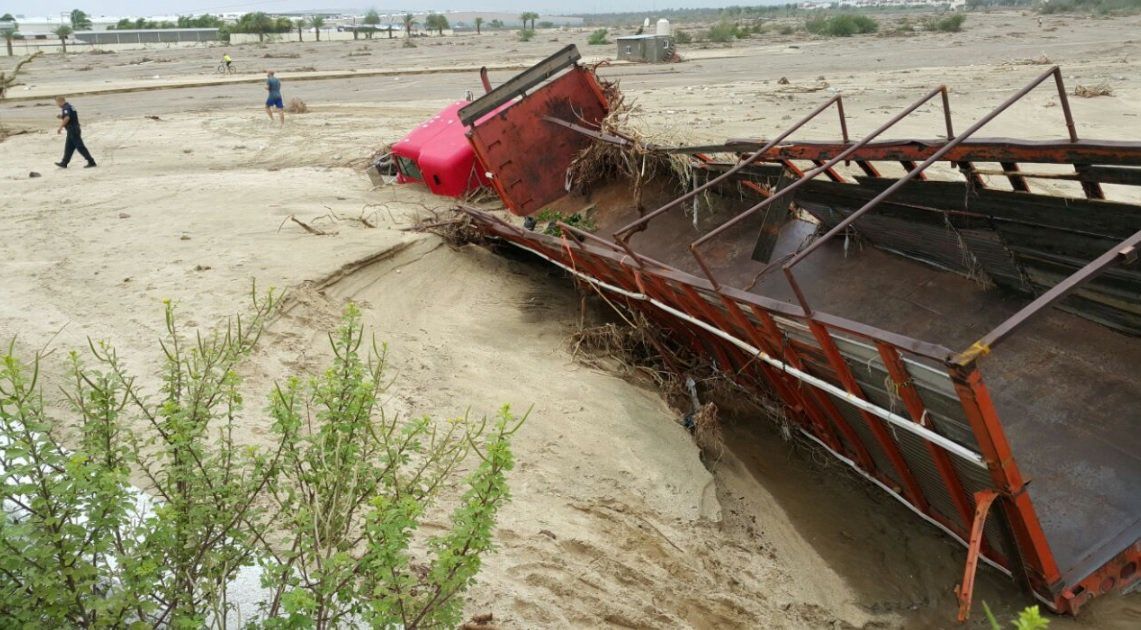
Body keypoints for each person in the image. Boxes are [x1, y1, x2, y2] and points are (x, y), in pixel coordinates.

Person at [54, 95, 96, 169]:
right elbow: (70, 116)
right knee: (68, 147)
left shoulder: (66, 107)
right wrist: (61, 116)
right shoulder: (70, 106)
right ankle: (64, 162)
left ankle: (91, 161)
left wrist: (60, 127)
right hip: (73, 129)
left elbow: (67, 118)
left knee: (80, 147)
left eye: (57, 103)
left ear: (60, 102)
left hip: (73, 130)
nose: (57, 105)